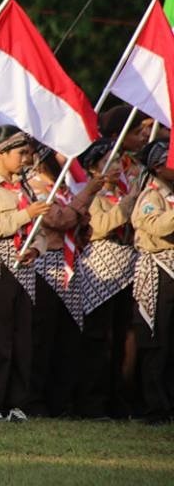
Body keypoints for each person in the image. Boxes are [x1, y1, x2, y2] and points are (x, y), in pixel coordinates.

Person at [0, 126, 49, 422]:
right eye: (21, 153)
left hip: (25, 269)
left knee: (22, 339)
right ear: (0, 154)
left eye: (27, 152)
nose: (26, 159)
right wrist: (24, 216)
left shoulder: (25, 185)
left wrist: (36, 249)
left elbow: (38, 231)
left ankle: (17, 403)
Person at [25, 146, 101, 417]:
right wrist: (88, 193)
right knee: (43, 336)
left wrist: (81, 217)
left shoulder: (63, 189)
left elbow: (81, 224)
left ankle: (61, 400)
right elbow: (58, 219)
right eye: (59, 153)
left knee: (67, 335)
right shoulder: (35, 185)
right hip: (46, 266)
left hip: (70, 264)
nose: (67, 158)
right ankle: (35, 400)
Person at [75, 138, 138, 418]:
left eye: (117, 160)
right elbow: (98, 227)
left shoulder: (124, 191)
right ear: (92, 168)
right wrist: (128, 204)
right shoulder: (93, 196)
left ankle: (119, 399)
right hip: (100, 270)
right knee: (97, 338)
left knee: (122, 338)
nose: (115, 166)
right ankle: (92, 402)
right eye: (107, 161)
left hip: (127, 268)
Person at [131, 140, 174, 424]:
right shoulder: (151, 195)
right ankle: (155, 407)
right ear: (159, 166)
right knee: (157, 340)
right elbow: (156, 226)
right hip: (159, 270)